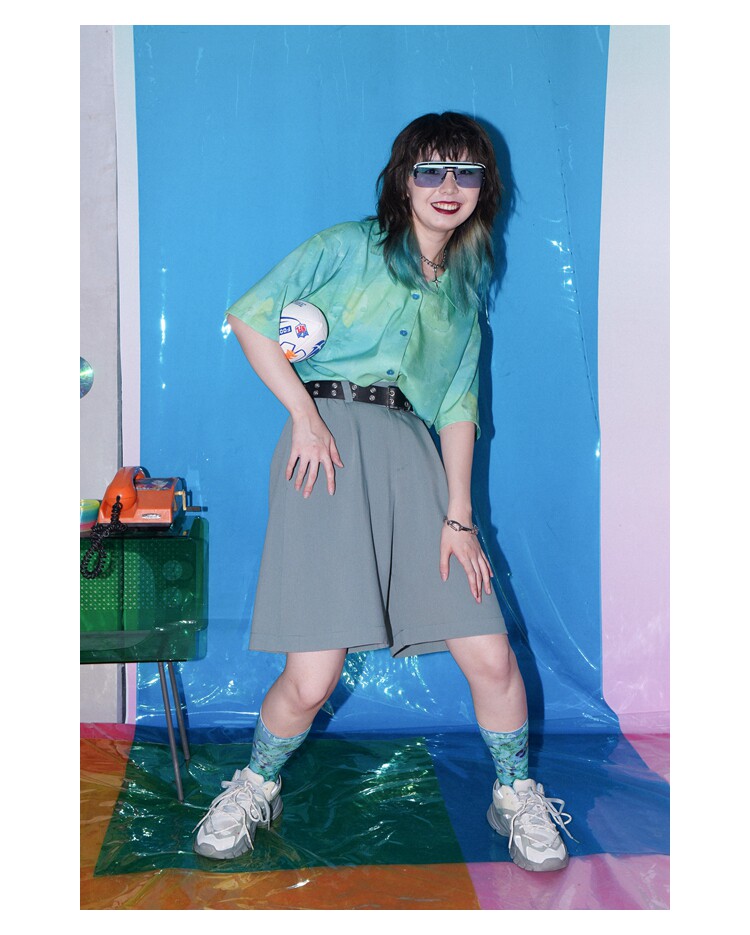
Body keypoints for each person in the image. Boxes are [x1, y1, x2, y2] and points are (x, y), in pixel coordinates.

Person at [194, 112, 573, 872]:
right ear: (404, 179)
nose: (448, 186)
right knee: (313, 676)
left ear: (485, 189)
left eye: (466, 172)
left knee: (491, 652)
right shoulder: (348, 245)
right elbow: (250, 317)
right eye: (431, 169)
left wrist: (459, 517)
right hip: (324, 451)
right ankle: (255, 783)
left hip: (413, 460)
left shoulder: (464, 297)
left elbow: (459, 407)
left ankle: (514, 792)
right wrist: (305, 417)